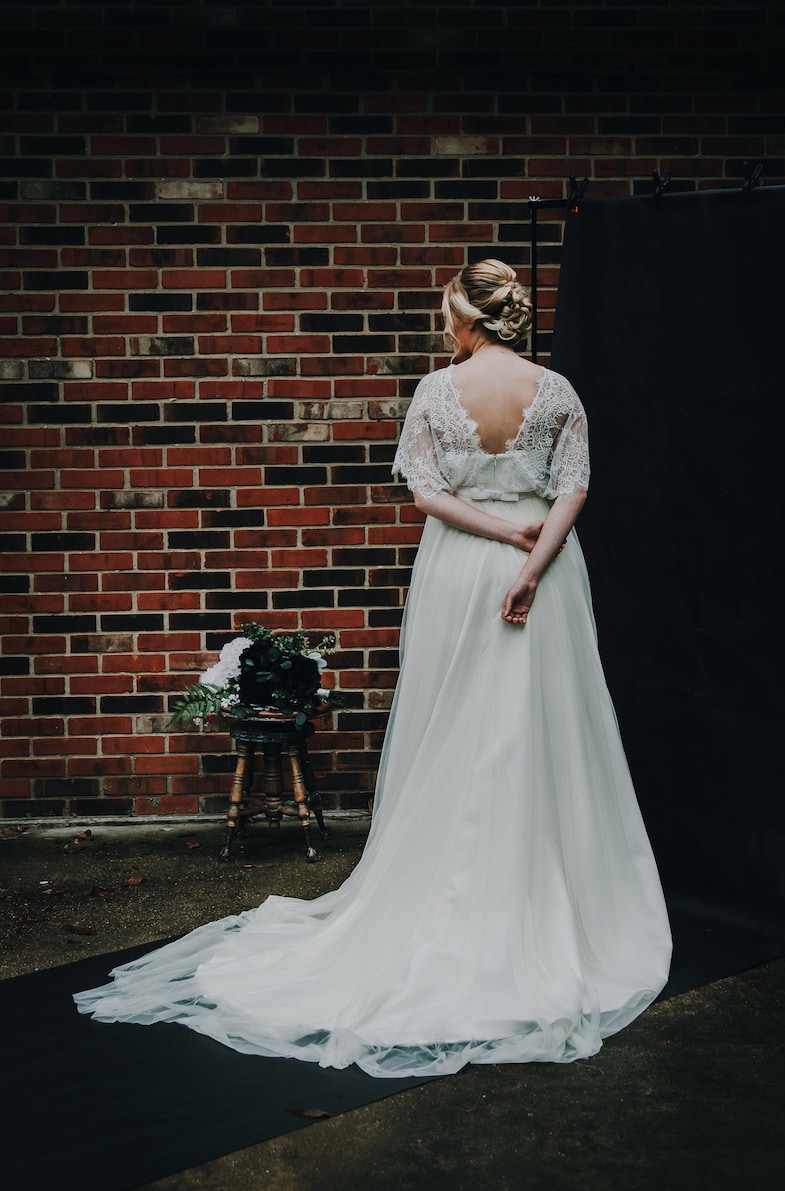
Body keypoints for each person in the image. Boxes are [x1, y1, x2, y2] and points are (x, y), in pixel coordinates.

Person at [75, 260, 671, 1077]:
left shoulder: (436, 391)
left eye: (446, 312)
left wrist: (498, 545)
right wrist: (531, 562)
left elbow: (426, 494)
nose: (442, 325)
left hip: (465, 568)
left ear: (468, 318)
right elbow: (574, 489)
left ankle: (464, 895)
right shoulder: (558, 389)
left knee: (461, 723)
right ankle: (540, 896)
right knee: (541, 723)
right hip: (548, 562)